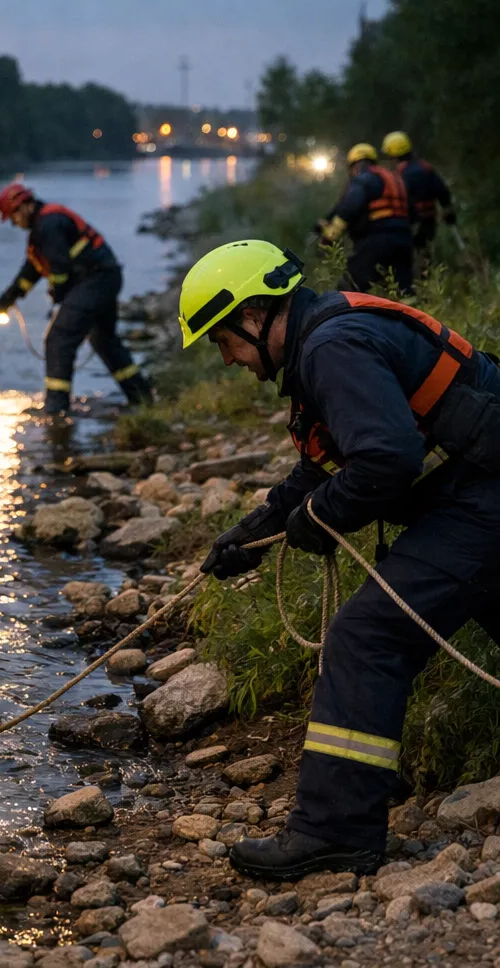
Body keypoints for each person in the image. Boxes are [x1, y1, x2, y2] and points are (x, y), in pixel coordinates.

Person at [180, 239, 500, 881]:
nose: (229, 359)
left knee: (366, 636)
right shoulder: (324, 339)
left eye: (224, 340)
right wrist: (256, 530)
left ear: (256, 314)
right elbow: (326, 461)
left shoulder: (331, 348)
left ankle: (335, 833)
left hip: (482, 500)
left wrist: (320, 518)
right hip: (477, 490)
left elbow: (385, 461)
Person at [0, 183, 153, 415]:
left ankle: (56, 410)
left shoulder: (48, 224)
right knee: (104, 341)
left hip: (95, 281)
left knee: (59, 340)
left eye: (13, 217)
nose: (14, 224)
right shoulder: (44, 227)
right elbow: (32, 271)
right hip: (105, 278)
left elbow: (59, 267)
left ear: (23, 207)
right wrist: (7, 299)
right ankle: (141, 398)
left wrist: (58, 293)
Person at [316, 143, 413, 295]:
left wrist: (329, 237)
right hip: (404, 240)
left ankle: (344, 316)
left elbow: (349, 207)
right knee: (402, 290)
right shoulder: (393, 179)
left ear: (354, 165)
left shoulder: (362, 179)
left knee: (348, 290)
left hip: (377, 242)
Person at [381, 130, 457, 265]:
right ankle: (427, 277)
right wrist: (448, 210)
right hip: (429, 221)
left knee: (406, 259)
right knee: (424, 253)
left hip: (407, 223)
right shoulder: (425, 168)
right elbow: (443, 192)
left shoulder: (397, 176)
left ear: (393, 155)